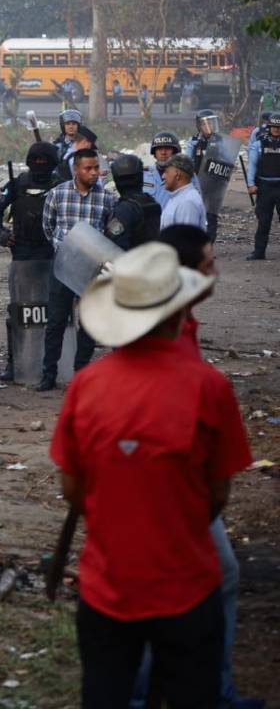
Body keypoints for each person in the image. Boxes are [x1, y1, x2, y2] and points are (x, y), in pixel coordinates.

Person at [49, 240, 252, 709]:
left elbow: (72, 486)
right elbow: (217, 492)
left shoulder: (87, 385)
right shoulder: (209, 386)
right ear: (178, 308)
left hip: (106, 588)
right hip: (188, 587)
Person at [141, 225, 265, 709]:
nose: (215, 271)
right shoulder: (169, 327)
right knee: (210, 575)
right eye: (208, 263)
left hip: (170, 473)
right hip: (170, 476)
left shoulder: (179, 320)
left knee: (178, 581)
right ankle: (204, 690)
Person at [36, 148, 117, 391]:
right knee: (56, 322)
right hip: (63, 268)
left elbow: (108, 233)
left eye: (96, 168)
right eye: (88, 168)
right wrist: (62, 250)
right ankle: (48, 375)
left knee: (89, 324)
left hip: (92, 271)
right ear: (76, 170)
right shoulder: (57, 195)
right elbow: (48, 226)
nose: (94, 173)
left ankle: (81, 374)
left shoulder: (106, 198)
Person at [0, 142, 64, 381]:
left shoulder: (60, 186)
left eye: (45, 161)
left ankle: (52, 363)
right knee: (18, 311)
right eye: (36, 160)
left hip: (53, 254)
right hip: (22, 255)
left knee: (55, 311)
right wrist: (0, 233)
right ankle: (15, 362)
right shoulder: (18, 184)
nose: (40, 165)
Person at [107, 154, 160, 250]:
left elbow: (114, 244)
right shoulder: (150, 201)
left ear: (116, 179)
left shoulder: (125, 209)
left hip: (132, 262)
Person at [245, 112, 280, 260]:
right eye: (274, 127)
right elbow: (252, 166)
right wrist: (251, 184)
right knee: (263, 222)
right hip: (264, 187)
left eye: (279, 127)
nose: (276, 130)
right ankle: (259, 252)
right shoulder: (259, 143)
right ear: (269, 127)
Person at [186, 110, 224, 241]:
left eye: (212, 123)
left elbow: (225, 162)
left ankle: (209, 245)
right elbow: (187, 162)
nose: (210, 127)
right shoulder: (194, 142)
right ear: (199, 126)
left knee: (211, 217)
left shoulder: (221, 142)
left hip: (214, 186)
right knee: (196, 215)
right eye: (206, 124)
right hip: (198, 185)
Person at [160, 154, 207, 231]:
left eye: (166, 172)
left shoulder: (187, 202)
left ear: (177, 174)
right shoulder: (178, 197)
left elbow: (186, 239)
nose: (163, 176)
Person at [146, 130, 182, 209]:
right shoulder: (144, 175)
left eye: (167, 148)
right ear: (154, 152)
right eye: (159, 149)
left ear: (175, 152)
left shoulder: (186, 175)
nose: (163, 152)